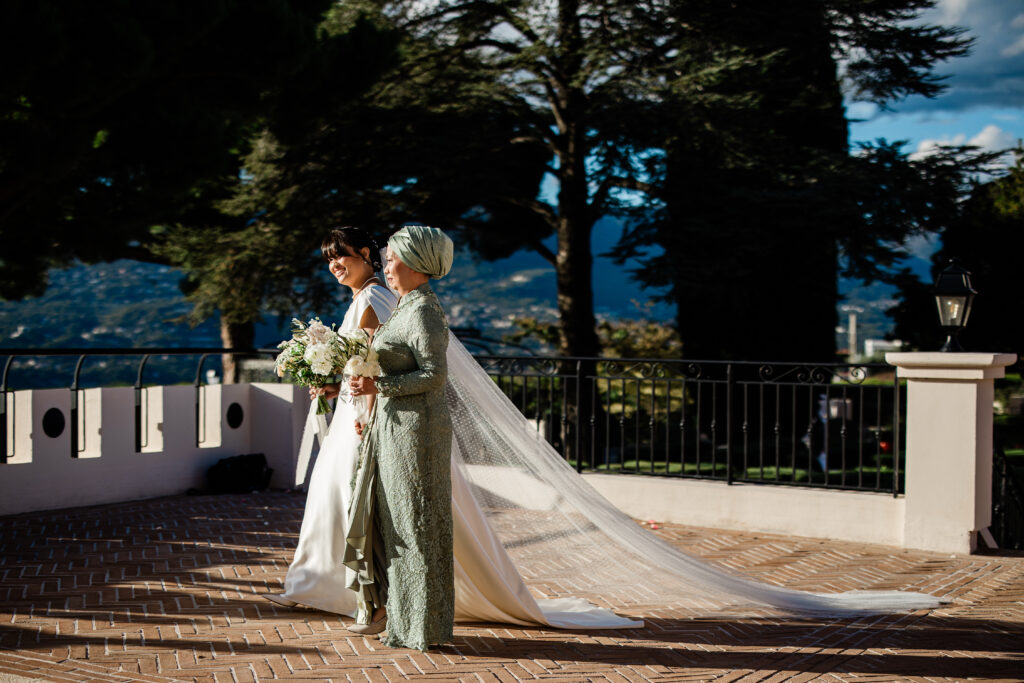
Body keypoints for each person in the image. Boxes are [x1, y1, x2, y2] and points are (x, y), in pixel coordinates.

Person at [263, 227, 397, 613]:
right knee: (330, 493)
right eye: (328, 259)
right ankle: (317, 585)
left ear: (367, 253)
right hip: (350, 410)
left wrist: (366, 418)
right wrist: (336, 387)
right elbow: (363, 365)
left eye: (342, 255)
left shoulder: (373, 297)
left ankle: (336, 590)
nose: (334, 264)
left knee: (340, 495)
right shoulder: (364, 296)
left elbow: (380, 364)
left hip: (361, 420)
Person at [345, 225, 456, 650]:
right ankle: (405, 623)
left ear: (416, 264)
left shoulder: (424, 310)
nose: (386, 267)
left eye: (390, 259)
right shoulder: (407, 307)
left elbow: (434, 375)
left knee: (419, 526)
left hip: (418, 434)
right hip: (394, 429)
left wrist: (378, 387)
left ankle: (425, 626)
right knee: (400, 527)